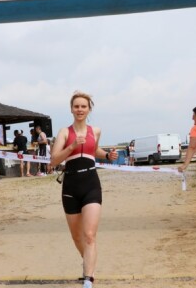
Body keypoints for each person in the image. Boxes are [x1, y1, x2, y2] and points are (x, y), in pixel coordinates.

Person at [50, 91, 118, 288]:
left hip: (91, 183)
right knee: (77, 236)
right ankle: (88, 262)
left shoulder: (95, 131)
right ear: (71, 109)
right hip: (71, 184)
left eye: (83, 106)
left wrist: (107, 155)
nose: (80, 109)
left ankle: (88, 278)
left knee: (89, 235)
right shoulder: (64, 132)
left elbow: (93, 150)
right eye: (76, 106)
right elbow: (54, 160)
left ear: (89, 109)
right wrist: (71, 146)